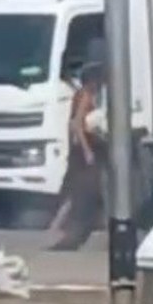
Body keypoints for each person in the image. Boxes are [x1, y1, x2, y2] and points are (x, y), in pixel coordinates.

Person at [49, 63, 107, 251]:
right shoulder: (85, 96)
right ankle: (60, 226)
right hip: (83, 150)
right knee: (82, 189)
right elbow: (77, 125)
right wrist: (87, 150)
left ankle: (56, 225)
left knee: (74, 189)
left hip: (80, 149)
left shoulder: (84, 95)